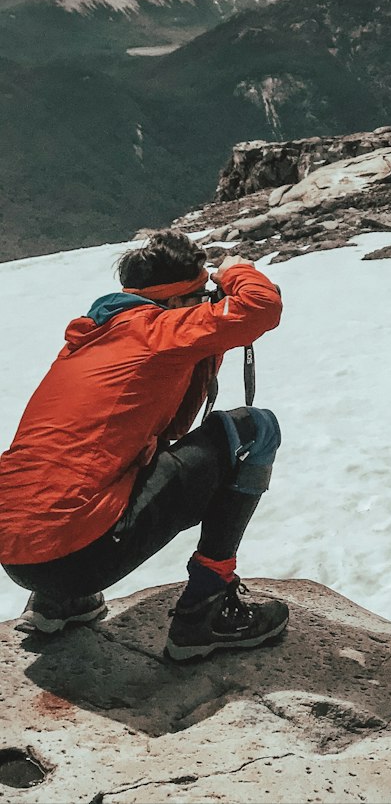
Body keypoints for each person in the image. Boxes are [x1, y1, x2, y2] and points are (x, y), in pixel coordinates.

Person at [0, 229, 287, 661]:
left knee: (97, 463)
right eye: (198, 296)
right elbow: (261, 307)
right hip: (77, 555)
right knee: (256, 429)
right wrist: (234, 273)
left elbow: (169, 428)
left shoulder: (96, 337)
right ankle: (206, 610)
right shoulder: (158, 333)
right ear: (172, 303)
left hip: (18, 556)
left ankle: (59, 603)